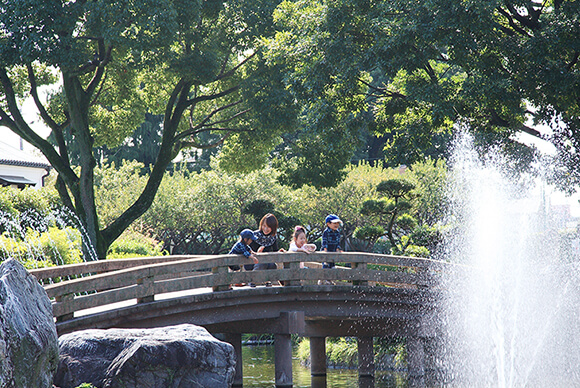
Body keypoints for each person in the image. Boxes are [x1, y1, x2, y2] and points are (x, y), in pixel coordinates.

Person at [249, 213, 284, 287]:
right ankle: (252, 281)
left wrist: (279, 252)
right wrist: (257, 253)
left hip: (265, 261)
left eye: (268, 227)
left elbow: (275, 251)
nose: (265, 229)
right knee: (262, 264)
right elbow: (246, 249)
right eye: (264, 226)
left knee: (273, 265)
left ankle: (267, 281)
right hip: (252, 262)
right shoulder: (254, 235)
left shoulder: (273, 237)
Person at [320, 214, 343, 284]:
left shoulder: (337, 232)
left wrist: (338, 249)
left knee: (332, 266)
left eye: (338, 223)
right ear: (328, 224)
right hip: (327, 250)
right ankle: (323, 279)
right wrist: (325, 249)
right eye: (334, 223)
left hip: (333, 251)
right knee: (326, 265)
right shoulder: (326, 232)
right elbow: (324, 241)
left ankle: (329, 280)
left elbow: (338, 242)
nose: (336, 225)